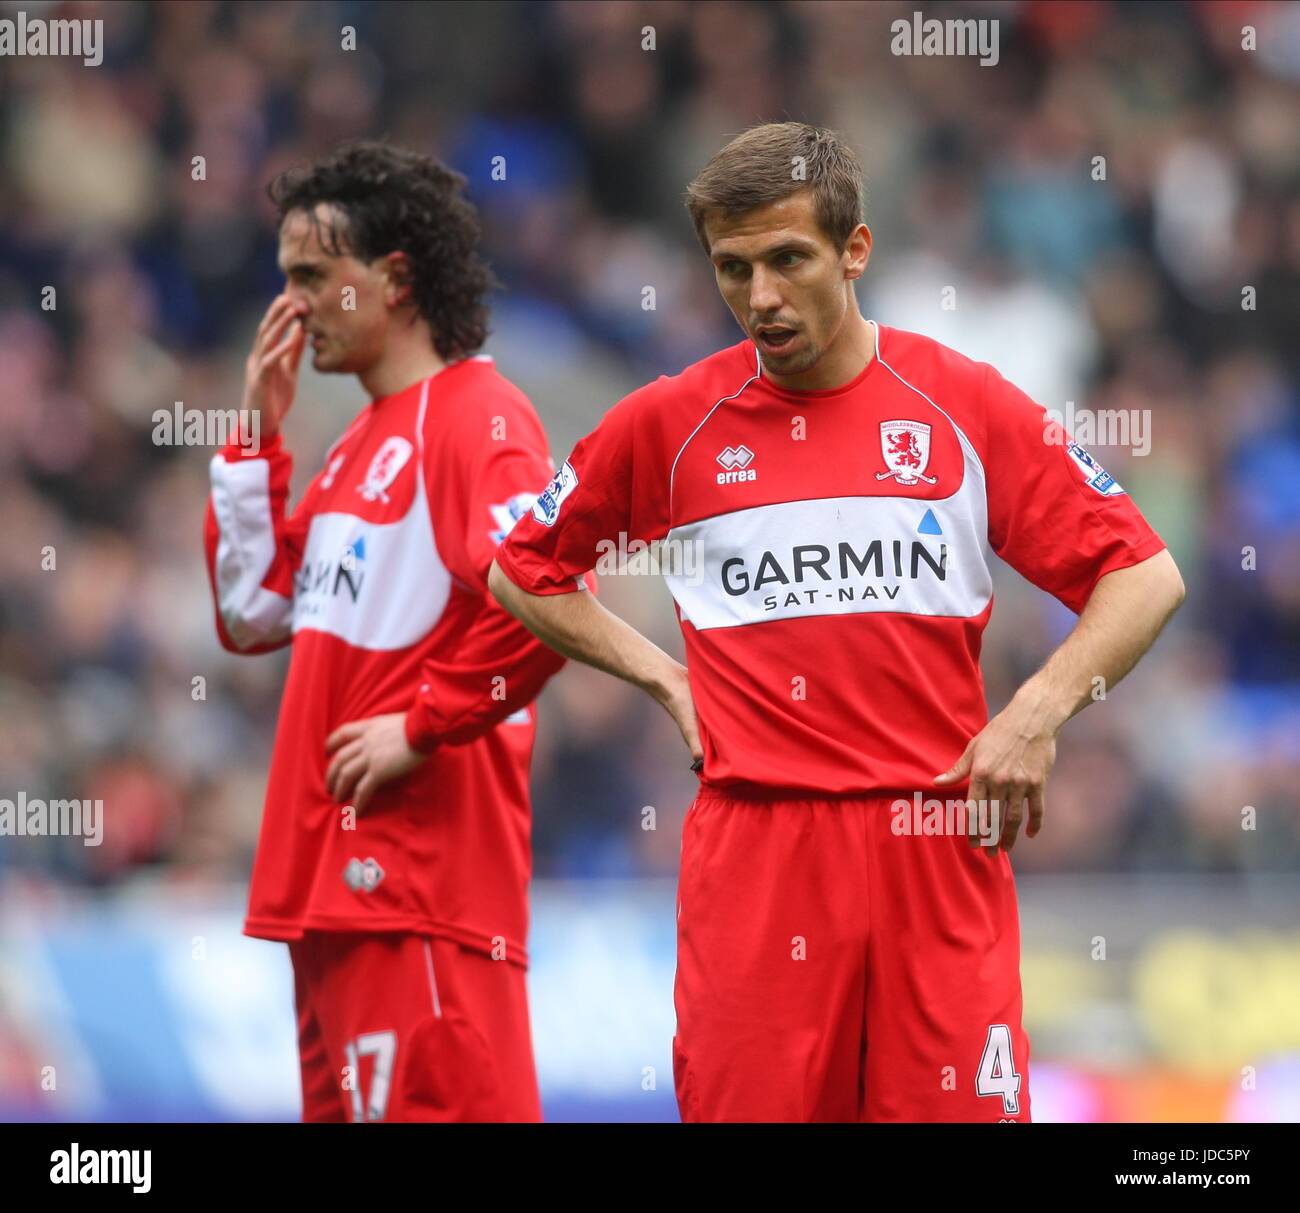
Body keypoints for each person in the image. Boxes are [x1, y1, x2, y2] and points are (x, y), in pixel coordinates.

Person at [488, 122, 1185, 1122]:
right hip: (759, 851)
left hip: (934, 841)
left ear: (854, 252)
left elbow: (1143, 573)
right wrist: (661, 677)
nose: (759, 296)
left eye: (787, 260)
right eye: (732, 268)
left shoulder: (958, 403)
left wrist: (1035, 712)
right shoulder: (668, 423)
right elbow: (521, 568)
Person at [204, 142, 569, 1122]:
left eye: (314, 277)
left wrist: (420, 725)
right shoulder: (353, 446)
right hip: (328, 893)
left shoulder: (478, 419)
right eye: (285, 279)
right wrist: (255, 440)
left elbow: (544, 606)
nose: (291, 305)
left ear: (395, 280)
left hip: (416, 890)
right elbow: (250, 614)